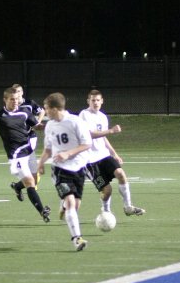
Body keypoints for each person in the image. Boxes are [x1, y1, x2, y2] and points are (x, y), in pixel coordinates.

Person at [0, 87, 51, 222]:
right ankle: (42, 211)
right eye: (12, 99)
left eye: (17, 99)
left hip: (29, 152)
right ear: (5, 100)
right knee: (31, 182)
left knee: (35, 179)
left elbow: (36, 125)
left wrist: (49, 126)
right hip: (16, 156)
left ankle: (17, 186)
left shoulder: (25, 112)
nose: (15, 102)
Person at [38, 92, 92, 251]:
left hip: (78, 167)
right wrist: (41, 163)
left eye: (47, 108)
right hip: (60, 169)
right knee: (70, 203)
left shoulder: (75, 122)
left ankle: (64, 206)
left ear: (55, 108)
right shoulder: (50, 125)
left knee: (75, 205)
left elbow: (87, 143)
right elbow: (48, 149)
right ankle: (77, 238)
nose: (45, 112)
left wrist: (68, 153)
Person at [79, 89, 145, 217]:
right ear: (88, 101)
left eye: (98, 100)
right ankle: (106, 211)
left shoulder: (102, 117)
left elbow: (103, 137)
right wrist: (111, 131)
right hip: (89, 161)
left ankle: (128, 207)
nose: (95, 103)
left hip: (103, 155)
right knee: (107, 190)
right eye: (93, 100)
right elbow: (89, 135)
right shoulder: (84, 115)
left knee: (121, 174)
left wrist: (114, 154)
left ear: (102, 101)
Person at [9, 83, 45, 201]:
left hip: (30, 136)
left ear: (22, 92)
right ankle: (18, 186)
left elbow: (42, 111)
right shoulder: (12, 106)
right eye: (15, 92)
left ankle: (23, 183)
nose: (17, 94)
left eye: (19, 91)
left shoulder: (29, 103)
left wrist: (38, 123)